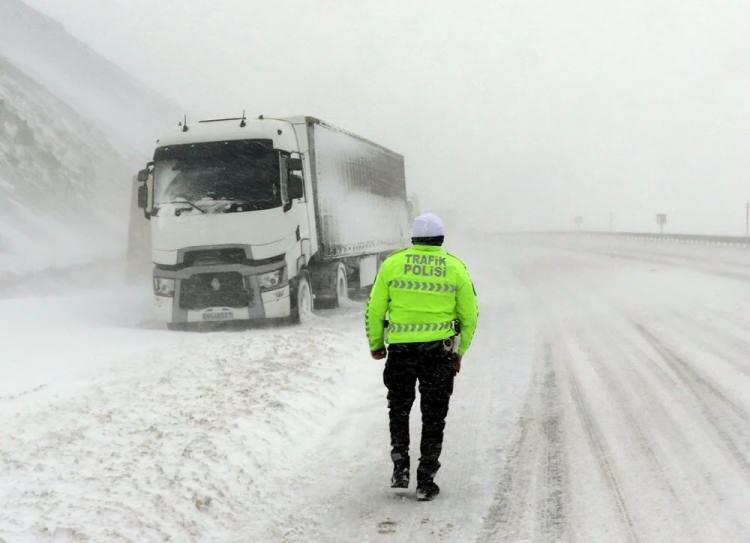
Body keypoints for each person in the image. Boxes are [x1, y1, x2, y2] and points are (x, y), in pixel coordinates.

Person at [365, 212, 478, 501]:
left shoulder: (392, 264)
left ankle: (400, 467)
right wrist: (459, 352)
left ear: (413, 238)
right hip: (437, 353)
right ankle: (426, 480)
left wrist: (376, 343)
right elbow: (470, 316)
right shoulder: (455, 267)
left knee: (399, 409)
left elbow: (375, 309)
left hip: (401, 352)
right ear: (441, 239)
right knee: (434, 415)